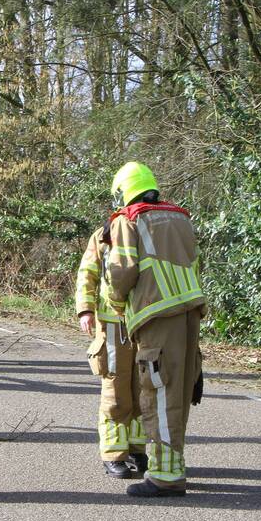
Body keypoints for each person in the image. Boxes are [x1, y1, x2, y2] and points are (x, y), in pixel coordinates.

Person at [107, 162, 205, 497]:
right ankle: (173, 465)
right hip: (189, 312)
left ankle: (165, 475)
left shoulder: (128, 219)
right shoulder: (180, 216)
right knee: (179, 391)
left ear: (123, 192)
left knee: (159, 392)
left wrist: (116, 303)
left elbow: (121, 273)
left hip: (155, 315)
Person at [75, 224, 147, 478]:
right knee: (116, 392)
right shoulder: (104, 234)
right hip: (113, 325)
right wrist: (85, 308)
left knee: (143, 388)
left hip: (144, 323)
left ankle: (137, 449)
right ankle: (114, 454)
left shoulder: (149, 230)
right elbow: (88, 271)